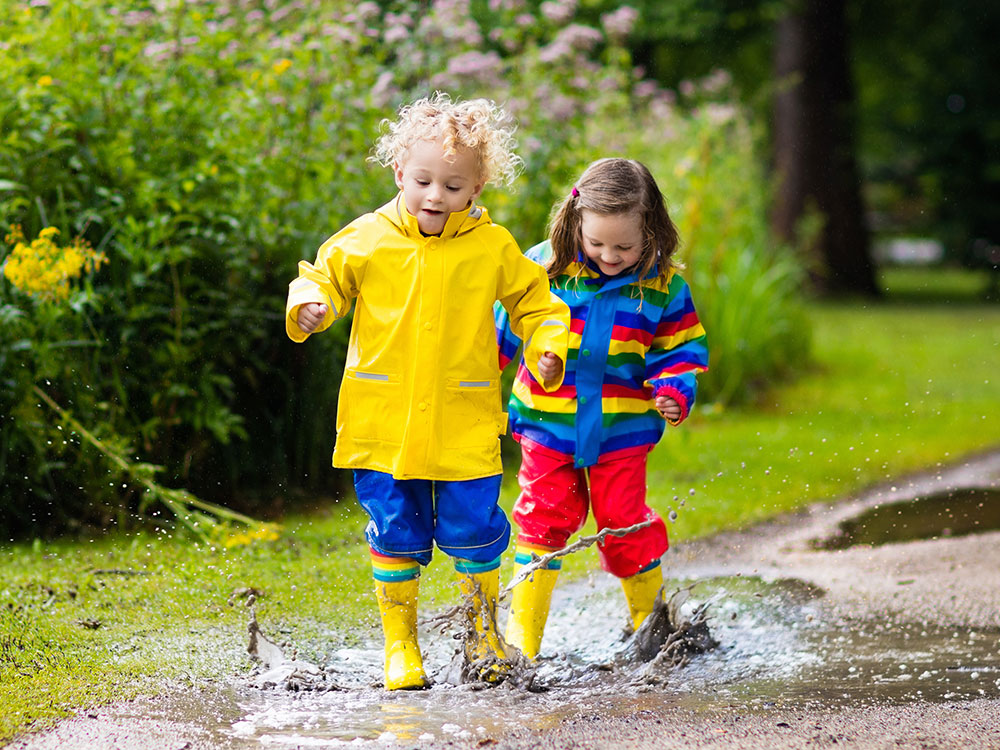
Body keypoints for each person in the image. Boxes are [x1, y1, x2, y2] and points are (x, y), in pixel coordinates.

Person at [285, 93, 570, 689]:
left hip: (462, 421)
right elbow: (323, 277)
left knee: (474, 530)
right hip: (383, 424)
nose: (435, 196)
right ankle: (401, 648)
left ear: (477, 187)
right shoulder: (366, 237)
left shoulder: (492, 248)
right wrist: (311, 306)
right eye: (423, 181)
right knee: (394, 531)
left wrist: (548, 347)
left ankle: (483, 637)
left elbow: (537, 303)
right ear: (399, 173)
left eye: (453, 185)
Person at [495, 157, 708, 659]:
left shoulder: (662, 287)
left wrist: (674, 392)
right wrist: (481, 383)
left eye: (624, 246)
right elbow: (498, 334)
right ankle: (524, 643)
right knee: (542, 521)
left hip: (621, 431)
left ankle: (653, 631)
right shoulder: (543, 269)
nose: (610, 256)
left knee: (624, 521)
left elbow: (681, 352)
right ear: (576, 223)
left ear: (651, 230)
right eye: (597, 243)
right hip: (548, 427)